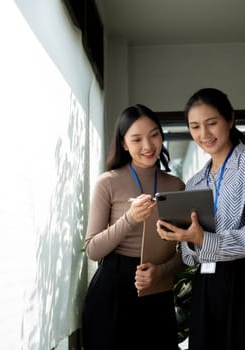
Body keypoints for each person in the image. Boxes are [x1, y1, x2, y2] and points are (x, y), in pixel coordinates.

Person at [157, 88, 245, 350]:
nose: (204, 134)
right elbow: (191, 255)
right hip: (206, 284)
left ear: (230, 119)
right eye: (195, 127)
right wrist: (184, 238)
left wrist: (205, 239)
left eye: (211, 123)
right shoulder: (194, 182)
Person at [81, 104, 185, 350]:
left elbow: (187, 253)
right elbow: (93, 250)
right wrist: (130, 219)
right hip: (112, 291)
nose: (148, 146)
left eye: (154, 135)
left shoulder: (176, 186)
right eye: (136, 139)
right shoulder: (108, 182)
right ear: (124, 144)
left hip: (156, 288)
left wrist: (161, 272)